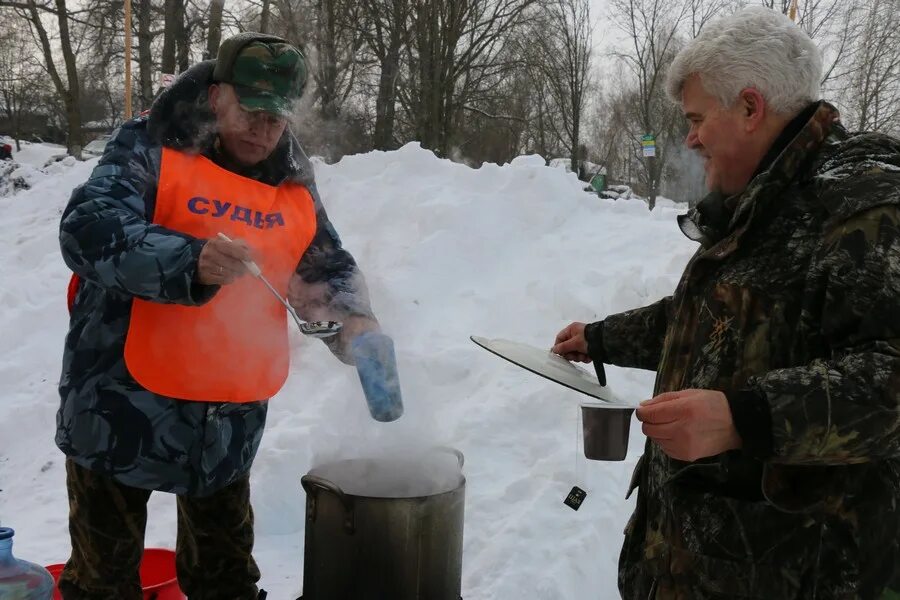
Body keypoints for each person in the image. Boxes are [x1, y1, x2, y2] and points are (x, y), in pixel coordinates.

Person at [553, 7, 900, 599]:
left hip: (798, 573)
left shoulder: (866, 209)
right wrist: (603, 337)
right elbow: (715, 316)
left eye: (695, 118)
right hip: (698, 563)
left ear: (748, 107)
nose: (689, 138)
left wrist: (745, 417)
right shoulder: (765, 200)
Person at [57, 33, 381, 599]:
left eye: (277, 119)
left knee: (225, 582)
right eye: (251, 111)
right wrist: (190, 258)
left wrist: (355, 321)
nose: (262, 130)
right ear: (216, 95)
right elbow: (86, 227)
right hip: (118, 403)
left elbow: (323, 265)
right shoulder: (151, 148)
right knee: (103, 584)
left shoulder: (292, 186)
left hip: (226, 421)